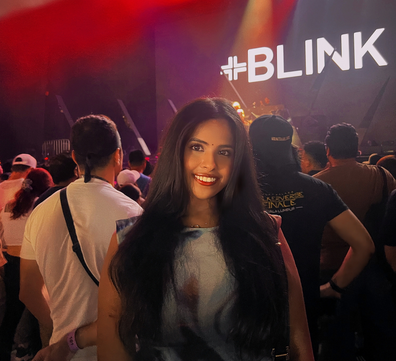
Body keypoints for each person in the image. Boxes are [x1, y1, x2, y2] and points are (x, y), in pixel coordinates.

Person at [98, 98, 314, 361]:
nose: (210, 164)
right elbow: (113, 346)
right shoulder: (130, 240)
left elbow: (299, 343)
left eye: (224, 152)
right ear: (176, 152)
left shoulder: (265, 232)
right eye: (197, 147)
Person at [20, 115, 143, 361]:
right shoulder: (132, 214)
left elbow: (28, 290)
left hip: (62, 352)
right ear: (118, 156)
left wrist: (62, 332)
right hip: (119, 351)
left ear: (74, 157)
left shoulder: (40, 212)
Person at [249, 115, 374, 358]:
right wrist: (334, 286)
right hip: (305, 306)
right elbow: (364, 245)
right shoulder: (316, 188)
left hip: (249, 308)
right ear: (289, 146)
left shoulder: (235, 192)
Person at [314, 123, 396, 361]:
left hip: (332, 269)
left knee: (337, 340)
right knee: (380, 338)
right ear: (357, 149)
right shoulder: (382, 176)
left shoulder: (316, 184)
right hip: (375, 267)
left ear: (328, 150)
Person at [0, 168, 53, 361]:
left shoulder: (10, 204)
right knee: (36, 309)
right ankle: (32, 349)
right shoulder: (41, 206)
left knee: (12, 309)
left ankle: (4, 350)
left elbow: (0, 230)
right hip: (31, 261)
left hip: (10, 262)